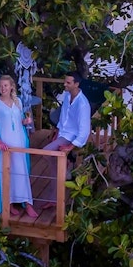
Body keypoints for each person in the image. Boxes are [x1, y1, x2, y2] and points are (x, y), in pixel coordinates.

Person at [0, 74, 38, 218]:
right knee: (6, 173)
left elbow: (19, 121)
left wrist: (26, 122)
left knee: (22, 173)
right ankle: (9, 203)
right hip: (5, 145)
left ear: (11, 87)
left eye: (6, 85)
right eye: (1, 86)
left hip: (19, 143)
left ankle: (27, 203)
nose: (3, 88)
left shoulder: (18, 101)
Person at [39, 73, 91, 209]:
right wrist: (57, 132)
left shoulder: (83, 104)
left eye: (68, 83)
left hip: (71, 137)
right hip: (64, 133)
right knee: (54, 168)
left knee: (46, 152)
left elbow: (84, 130)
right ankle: (62, 171)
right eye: (65, 82)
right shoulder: (68, 96)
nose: (64, 84)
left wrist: (70, 147)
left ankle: (63, 168)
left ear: (76, 84)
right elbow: (63, 118)